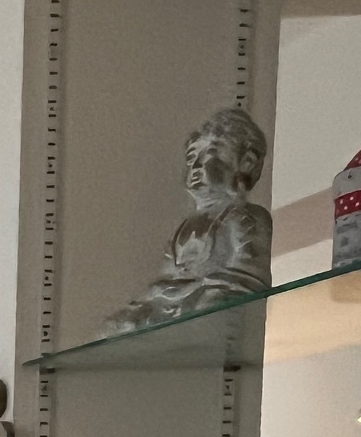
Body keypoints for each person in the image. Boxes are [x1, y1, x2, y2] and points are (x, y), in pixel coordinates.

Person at [104, 106, 273, 335]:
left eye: (210, 154)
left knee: (212, 307)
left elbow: (246, 277)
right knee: (118, 324)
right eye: (192, 158)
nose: (196, 166)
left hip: (211, 297)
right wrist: (155, 300)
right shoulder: (184, 227)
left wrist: (205, 292)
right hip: (176, 302)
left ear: (246, 163)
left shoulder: (246, 217)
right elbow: (167, 278)